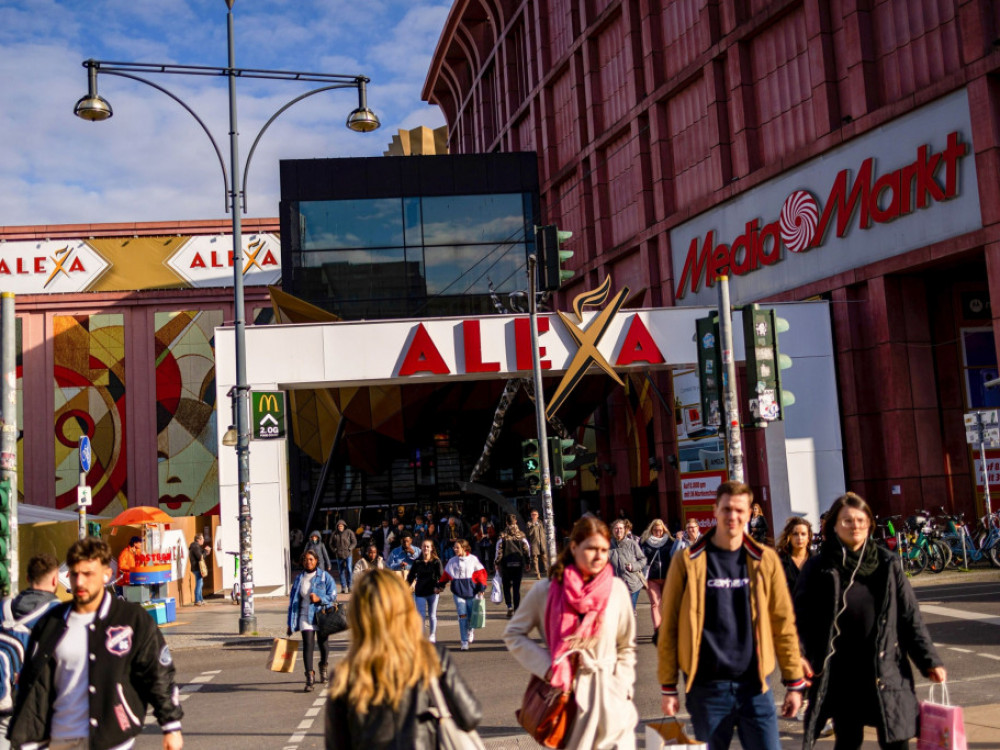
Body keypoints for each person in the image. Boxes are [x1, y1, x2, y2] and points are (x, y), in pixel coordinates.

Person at [658, 481, 805, 750]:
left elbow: (783, 623)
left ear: (750, 513)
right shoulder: (687, 560)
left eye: (740, 510)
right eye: (726, 509)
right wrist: (668, 686)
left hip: (755, 688)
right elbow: (670, 627)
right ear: (715, 510)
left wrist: (794, 681)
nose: (733, 516)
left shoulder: (766, 559)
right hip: (706, 689)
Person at [794, 492, 946, 750]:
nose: (855, 526)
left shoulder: (888, 564)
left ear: (869, 525)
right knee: (848, 739)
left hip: (885, 669)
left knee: (896, 739)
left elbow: (909, 617)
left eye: (861, 520)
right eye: (847, 521)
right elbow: (799, 620)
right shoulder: (819, 567)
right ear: (833, 525)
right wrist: (798, 657)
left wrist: (929, 660)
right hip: (842, 673)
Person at [10, 537, 183, 750]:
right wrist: (27, 741)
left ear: (106, 574)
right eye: (74, 574)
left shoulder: (131, 619)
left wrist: (171, 725)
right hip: (59, 739)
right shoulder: (51, 623)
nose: (80, 582)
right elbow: (32, 682)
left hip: (112, 738)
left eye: (88, 574)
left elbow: (158, 673)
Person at [504, 515, 638, 749]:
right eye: (591, 549)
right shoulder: (546, 590)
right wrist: (549, 668)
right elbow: (514, 634)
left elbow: (626, 646)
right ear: (574, 547)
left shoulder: (616, 589)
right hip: (568, 698)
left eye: (604, 550)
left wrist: (623, 685)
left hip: (612, 698)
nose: (599, 556)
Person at [325, 569, 482, 749]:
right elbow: (470, 716)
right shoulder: (430, 656)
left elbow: (336, 744)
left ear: (358, 616)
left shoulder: (345, 674)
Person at [0, 553, 61, 749]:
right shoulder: (59, 614)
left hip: (5, 702)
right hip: (38, 708)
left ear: (27, 578)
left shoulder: (3, 607)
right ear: (54, 580)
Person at [287, 548, 338, 692]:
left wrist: (320, 598)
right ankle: (309, 677)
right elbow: (293, 601)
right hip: (304, 616)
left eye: (311, 559)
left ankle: (323, 665)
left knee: (323, 645)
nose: (308, 562)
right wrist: (290, 623)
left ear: (316, 561)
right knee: (308, 645)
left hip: (321, 615)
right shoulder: (299, 578)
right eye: (306, 560)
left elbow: (333, 596)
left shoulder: (324, 576)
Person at [437, 539, 487, 651]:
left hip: (471, 592)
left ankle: (470, 630)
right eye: (454, 547)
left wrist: (481, 588)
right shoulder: (452, 561)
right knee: (462, 616)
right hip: (458, 594)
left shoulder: (473, 559)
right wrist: (440, 585)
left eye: (457, 547)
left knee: (470, 615)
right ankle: (464, 641)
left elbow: (481, 574)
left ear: (464, 548)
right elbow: (446, 575)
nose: (454, 549)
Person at [639, 518, 673, 645]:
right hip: (651, 578)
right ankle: (657, 629)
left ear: (664, 530)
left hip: (667, 577)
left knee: (665, 604)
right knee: (655, 604)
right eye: (655, 530)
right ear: (651, 530)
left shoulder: (670, 541)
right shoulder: (645, 542)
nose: (658, 532)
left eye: (660, 530)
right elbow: (640, 558)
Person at [494, 514, 531, 617]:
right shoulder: (521, 535)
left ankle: (509, 606)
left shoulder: (502, 535)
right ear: (515, 522)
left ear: (506, 522)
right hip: (518, 564)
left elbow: (499, 551)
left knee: (506, 586)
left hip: (506, 564)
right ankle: (517, 609)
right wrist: (528, 562)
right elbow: (527, 549)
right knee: (516, 588)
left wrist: (496, 563)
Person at [407, 539, 443, 643]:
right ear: (421, 548)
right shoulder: (417, 562)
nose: (426, 548)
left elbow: (442, 577)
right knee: (421, 615)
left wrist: (439, 588)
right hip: (420, 591)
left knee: (432, 615)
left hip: (433, 592)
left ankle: (432, 635)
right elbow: (411, 576)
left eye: (428, 546)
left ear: (432, 548)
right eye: (424, 546)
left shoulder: (436, 561)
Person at [609, 519, 646, 614]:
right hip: (616, 585)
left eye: (621, 528)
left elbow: (643, 559)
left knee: (629, 611)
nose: (618, 531)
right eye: (616, 528)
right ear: (612, 530)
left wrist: (633, 566)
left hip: (632, 584)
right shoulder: (608, 545)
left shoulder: (632, 544)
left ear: (625, 530)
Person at [776, 516, 814, 594]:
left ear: (808, 537)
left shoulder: (818, 560)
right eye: (795, 534)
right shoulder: (780, 561)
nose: (799, 538)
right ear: (789, 537)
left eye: (803, 534)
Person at [329, 520, 357, 594]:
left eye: (341, 526)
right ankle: (343, 587)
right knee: (341, 571)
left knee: (349, 569)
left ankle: (350, 586)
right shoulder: (334, 533)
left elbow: (354, 541)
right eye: (339, 526)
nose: (340, 527)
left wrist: (350, 548)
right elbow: (330, 543)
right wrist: (335, 550)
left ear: (344, 526)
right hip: (339, 554)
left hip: (348, 554)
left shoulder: (349, 532)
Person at [188, 533, 211, 606]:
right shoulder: (195, 546)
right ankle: (197, 600)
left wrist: (206, 552)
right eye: (202, 539)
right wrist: (204, 551)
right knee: (199, 583)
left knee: (200, 583)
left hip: (196, 567)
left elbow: (202, 556)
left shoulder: (196, 546)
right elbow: (200, 557)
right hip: (197, 568)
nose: (203, 540)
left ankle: (200, 600)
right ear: (198, 540)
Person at [524, 509, 547, 579]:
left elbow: (544, 531)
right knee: (535, 558)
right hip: (534, 543)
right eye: (532, 515)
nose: (534, 516)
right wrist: (533, 525)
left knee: (544, 557)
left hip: (542, 542)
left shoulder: (540, 522)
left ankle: (547, 570)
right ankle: (537, 573)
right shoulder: (529, 523)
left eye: (535, 515)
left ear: (538, 515)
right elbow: (528, 533)